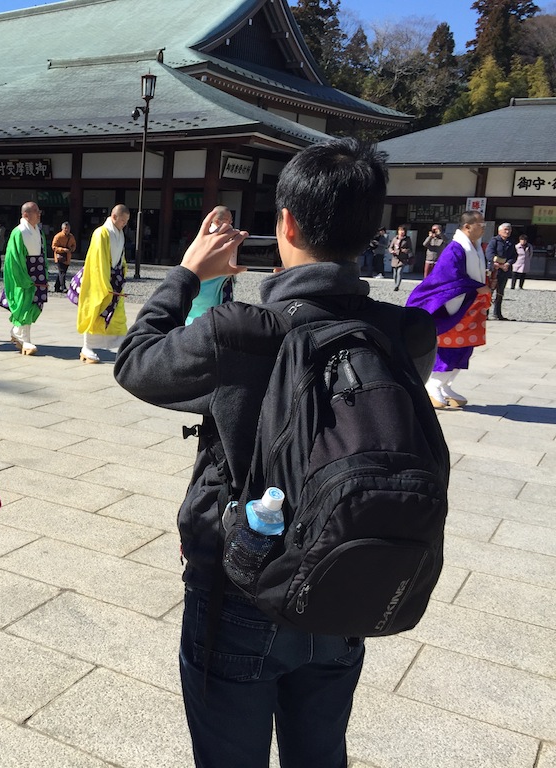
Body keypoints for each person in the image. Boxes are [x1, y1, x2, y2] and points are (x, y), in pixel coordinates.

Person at [113, 138, 436, 768]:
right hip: (347, 580)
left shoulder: (238, 333)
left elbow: (136, 363)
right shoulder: (405, 335)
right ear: (374, 230)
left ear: (285, 223)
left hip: (239, 584)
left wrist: (187, 275)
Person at [406, 211, 491, 409]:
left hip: (471, 305)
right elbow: (447, 276)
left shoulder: (475, 247)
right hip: (456, 307)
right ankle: (433, 384)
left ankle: (445, 385)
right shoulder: (455, 249)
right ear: (467, 226)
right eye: (480, 223)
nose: (484, 227)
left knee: (464, 348)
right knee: (450, 347)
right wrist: (476, 286)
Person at [74, 204, 130, 363]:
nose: (125, 224)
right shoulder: (101, 233)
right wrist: (104, 284)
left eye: (126, 221)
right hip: (101, 279)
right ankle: (87, 347)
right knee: (96, 311)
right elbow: (98, 261)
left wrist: (122, 273)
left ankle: (121, 345)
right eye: (123, 220)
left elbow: (121, 257)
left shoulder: (119, 233)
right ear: (114, 217)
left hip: (115, 278)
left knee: (117, 315)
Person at [0, 201, 48, 355]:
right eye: (36, 211)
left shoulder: (38, 232)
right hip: (24, 274)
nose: (39, 214)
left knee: (33, 305)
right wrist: (22, 278)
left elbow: (43, 253)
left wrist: (44, 271)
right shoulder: (18, 232)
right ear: (26, 214)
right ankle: (24, 338)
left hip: (37, 272)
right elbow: (13, 258)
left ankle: (18, 332)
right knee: (23, 306)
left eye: (39, 211)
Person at [186, 206, 235, 325]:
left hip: (211, 282)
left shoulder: (209, 237)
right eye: (228, 220)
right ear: (217, 221)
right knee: (209, 316)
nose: (231, 223)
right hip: (210, 283)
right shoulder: (215, 237)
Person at [486, 222, 516, 320]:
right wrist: (497, 264)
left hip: (505, 270)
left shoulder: (511, 242)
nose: (507, 232)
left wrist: (507, 264)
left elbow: (514, 256)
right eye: (505, 230)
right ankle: (485, 313)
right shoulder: (494, 241)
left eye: (509, 230)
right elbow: (489, 254)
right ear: (500, 231)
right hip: (494, 270)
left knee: (500, 292)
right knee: (489, 292)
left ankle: (497, 314)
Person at [51, 221, 77, 293]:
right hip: (60, 257)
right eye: (65, 228)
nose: (67, 230)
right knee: (62, 272)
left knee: (61, 272)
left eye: (68, 228)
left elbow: (74, 245)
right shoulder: (58, 236)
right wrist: (63, 249)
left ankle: (57, 287)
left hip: (67, 257)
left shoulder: (71, 237)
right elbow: (54, 247)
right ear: (62, 228)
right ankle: (63, 287)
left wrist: (72, 249)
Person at [389, 225, 412, 291]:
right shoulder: (395, 238)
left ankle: (397, 286)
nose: (401, 232)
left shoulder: (407, 239)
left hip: (403, 258)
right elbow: (390, 247)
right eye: (400, 230)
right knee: (395, 274)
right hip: (395, 258)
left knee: (399, 272)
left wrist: (405, 250)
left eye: (403, 231)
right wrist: (391, 251)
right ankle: (395, 283)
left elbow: (410, 249)